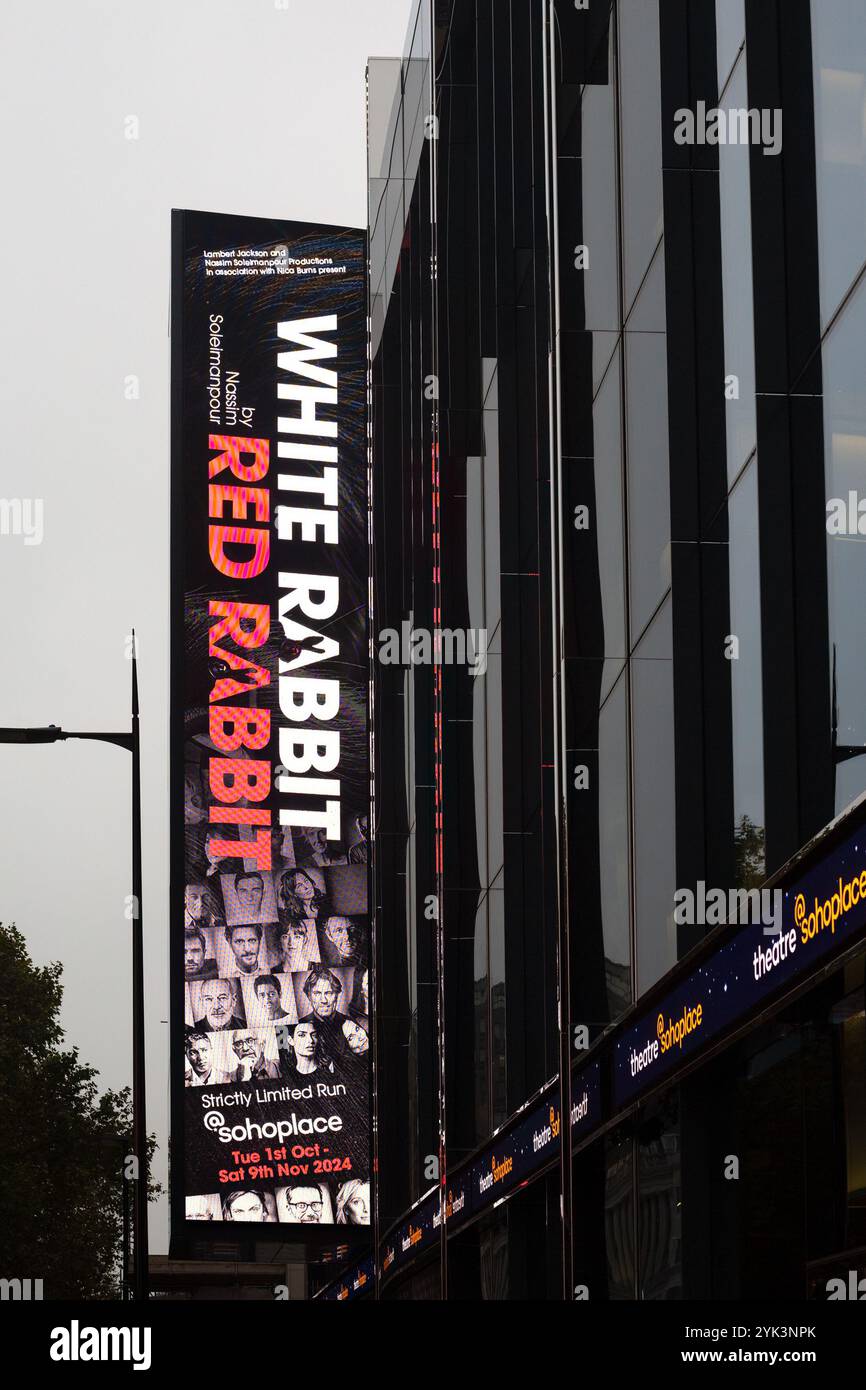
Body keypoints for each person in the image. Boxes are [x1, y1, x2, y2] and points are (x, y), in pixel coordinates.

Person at [299, 965, 351, 1063]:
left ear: (337, 995)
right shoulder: (299, 1024)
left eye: (329, 993)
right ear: (309, 997)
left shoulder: (350, 1023)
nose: (323, 1000)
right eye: (317, 993)